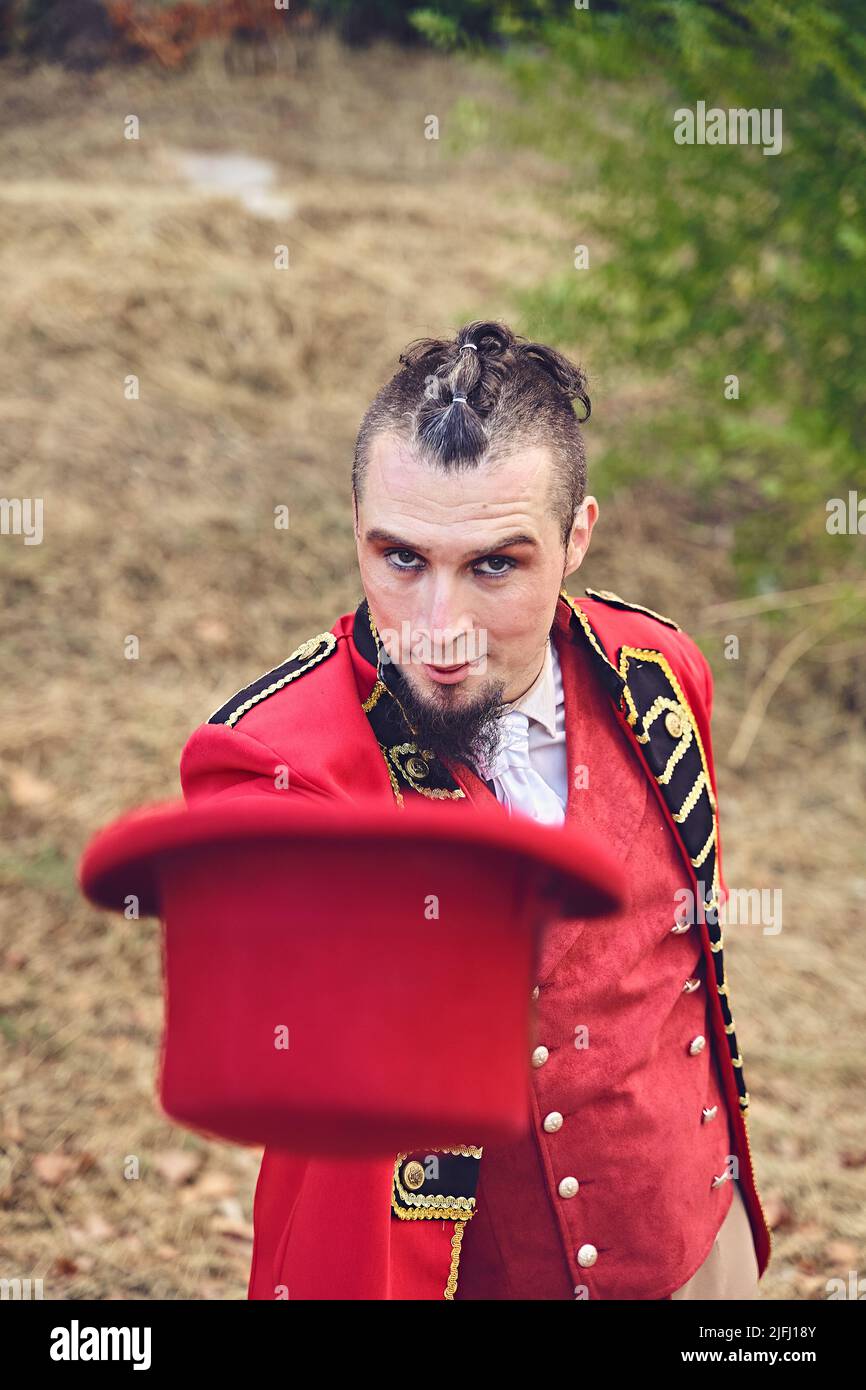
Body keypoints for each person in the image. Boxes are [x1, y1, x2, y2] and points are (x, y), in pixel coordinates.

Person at [179, 319, 771, 1300]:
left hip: (698, 1255)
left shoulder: (659, 673)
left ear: (576, 536)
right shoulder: (272, 762)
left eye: (493, 565)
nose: (438, 631)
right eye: (401, 559)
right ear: (354, 524)